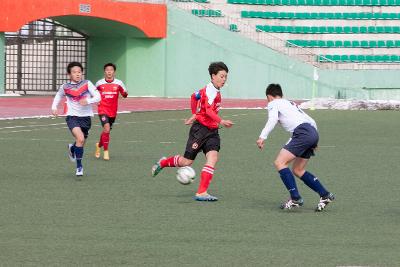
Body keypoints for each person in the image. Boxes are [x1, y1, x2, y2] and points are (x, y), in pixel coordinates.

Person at [151, 62, 234, 201]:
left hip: (212, 131)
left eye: (226, 76)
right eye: (221, 76)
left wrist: (195, 113)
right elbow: (206, 109)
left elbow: (194, 96)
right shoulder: (209, 91)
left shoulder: (211, 90)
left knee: (213, 157)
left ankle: (202, 192)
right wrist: (219, 120)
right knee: (186, 162)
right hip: (199, 131)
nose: (224, 79)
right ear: (213, 76)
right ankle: (163, 163)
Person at [256, 84, 334, 211]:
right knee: (298, 169)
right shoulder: (289, 103)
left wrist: (262, 137)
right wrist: (315, 140)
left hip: (302, 133)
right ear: (281, 95)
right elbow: (312, 120)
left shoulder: (273, 103)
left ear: (269, 97)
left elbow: (272, 119)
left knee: (280, 162)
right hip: (312, 132)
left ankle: (295, 198)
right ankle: (325, 194)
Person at [51, 62, 101, 176]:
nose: (77, 74)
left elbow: (98, 96)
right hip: (72, 116)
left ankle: (72, 149)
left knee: (81, 142)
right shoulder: (65, 87)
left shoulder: (87, 83)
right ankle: (79, 167)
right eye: (74, 72)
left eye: (79, 72)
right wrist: (54, 107)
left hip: (86, 118)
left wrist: (88, 101)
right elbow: (58, 95)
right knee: (80, 138)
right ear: (69, 74)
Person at [95, 63, 128, 160]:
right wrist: (95, 100)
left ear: (114, 72)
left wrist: (125, 93)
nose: (109, 72)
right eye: (107, 70)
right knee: (107, 128)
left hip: (113, 111)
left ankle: (98, 145)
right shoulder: (99, 83)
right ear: (104, 71)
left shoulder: (119, 83)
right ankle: (106, 151)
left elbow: (124, 94)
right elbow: (93, 93)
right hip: (102, 109)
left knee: (106, 131)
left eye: (111, 70)